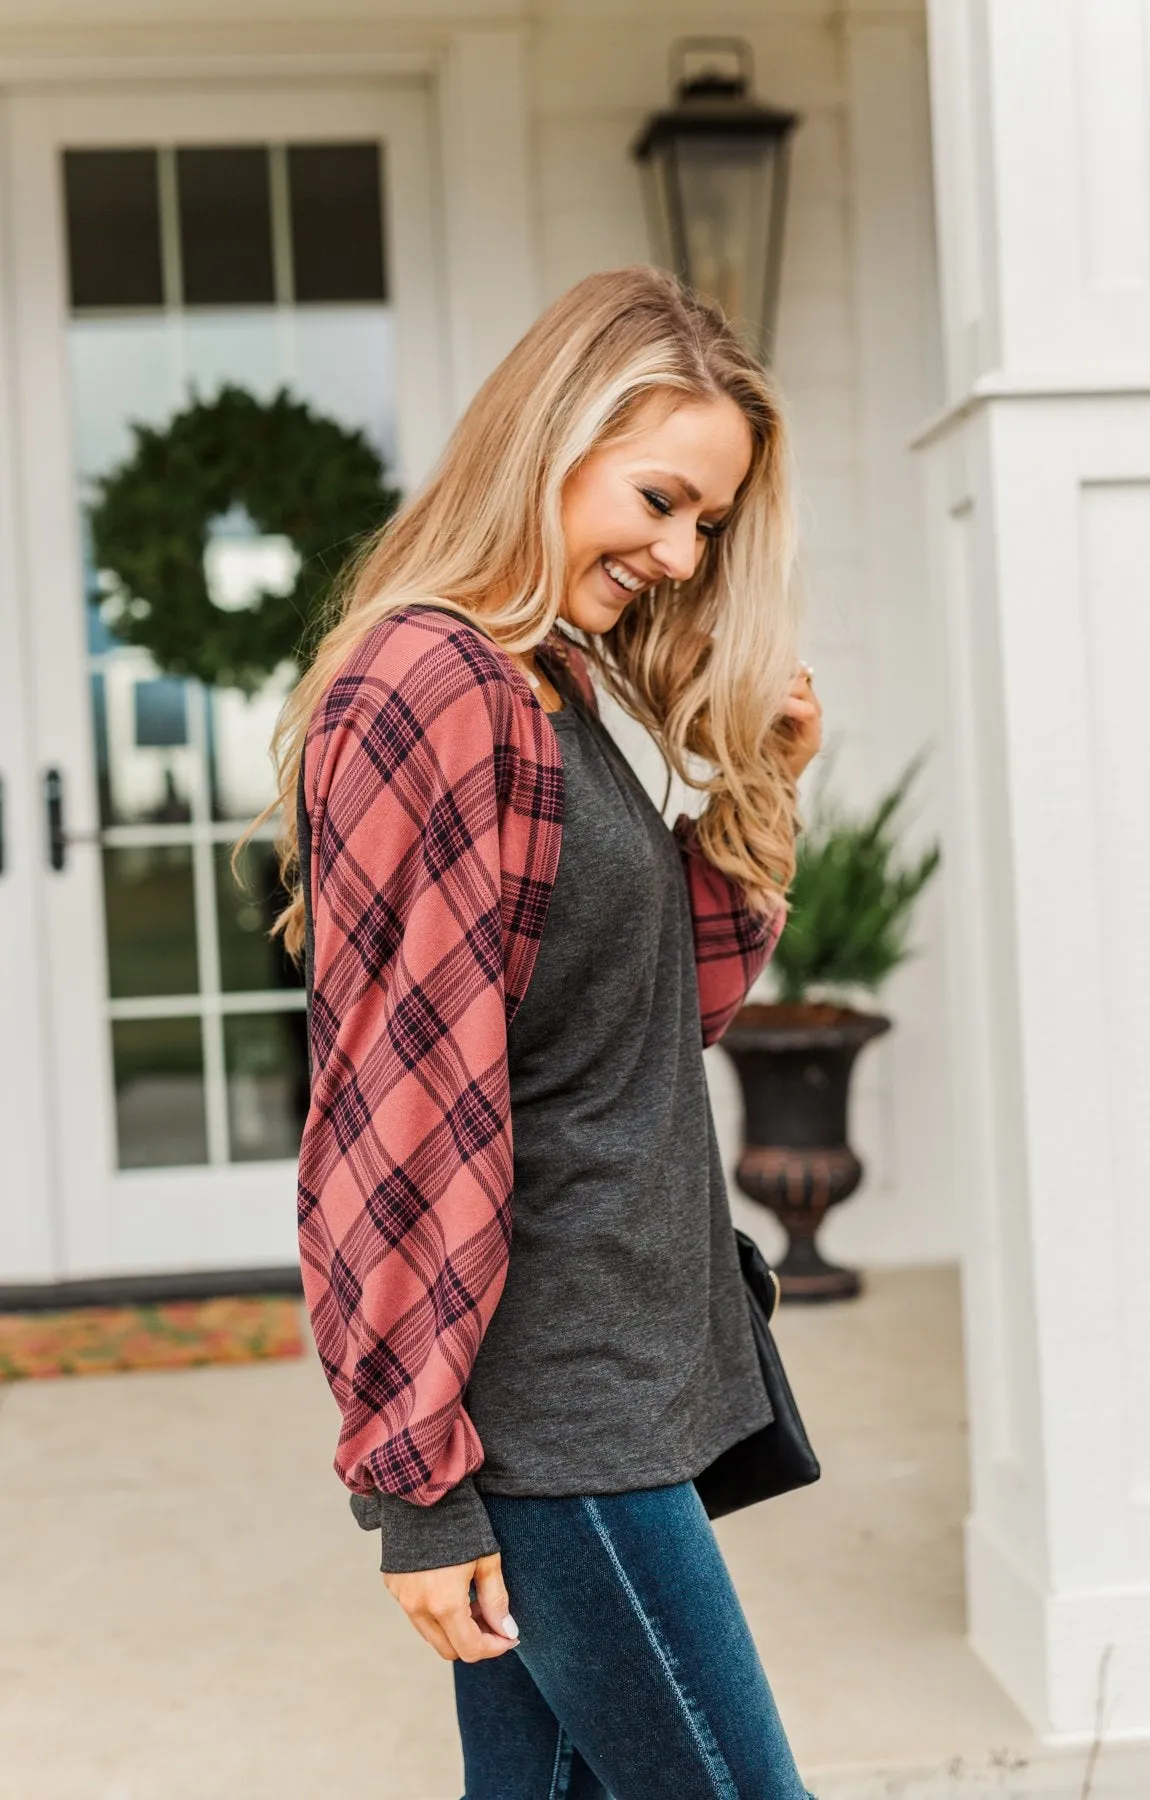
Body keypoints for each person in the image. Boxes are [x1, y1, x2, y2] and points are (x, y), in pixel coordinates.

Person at [251, 266, 823, 1798]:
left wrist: (757, 781)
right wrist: (415, 1490)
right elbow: (397, 1105)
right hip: (555, 1414)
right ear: (553, 438)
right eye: (659, 497)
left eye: (708, 523)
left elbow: (658, 1021)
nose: (682, 551)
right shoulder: (430, 683)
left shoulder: (551, 683)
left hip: (619, 1372)